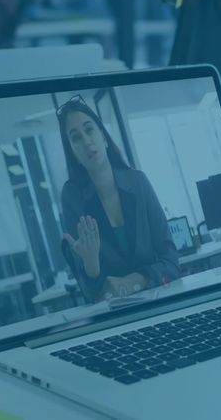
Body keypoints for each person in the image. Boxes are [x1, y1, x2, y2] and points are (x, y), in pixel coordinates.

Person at [57, 96, 180, 302]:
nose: (86, 141)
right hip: (114, 318)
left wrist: (134, 281)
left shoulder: (138, 182)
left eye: (89, 130)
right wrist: (91, 264)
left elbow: (171, 262)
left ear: (104, 138)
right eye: (76, 137)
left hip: (160, 303)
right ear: (73, 153)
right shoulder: (72, 197)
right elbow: (90, 293)